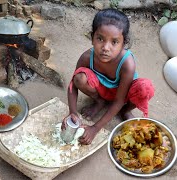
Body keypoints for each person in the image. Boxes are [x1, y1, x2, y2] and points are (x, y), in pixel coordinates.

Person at [62, 8, 155, 145]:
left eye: (114, 42)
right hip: (100, 90)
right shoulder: (87, 57)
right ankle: (100, 102)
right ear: (92, 37)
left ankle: (125, 111)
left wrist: (95, 128)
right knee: (79, 78)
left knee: (145, 88)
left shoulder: (127, 64)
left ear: (124, 43)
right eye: (100, 39)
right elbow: (72, 85)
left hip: (121, 95)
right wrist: (73, 113)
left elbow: (119, 99)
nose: (106, 47)